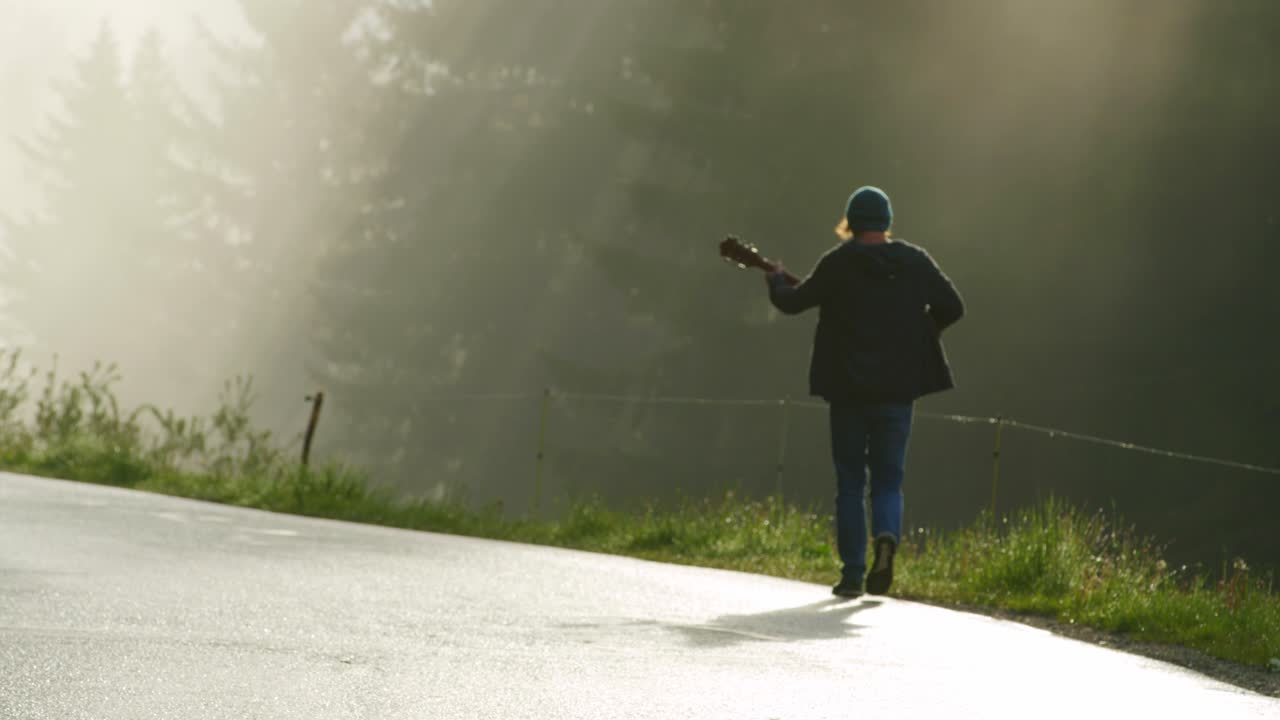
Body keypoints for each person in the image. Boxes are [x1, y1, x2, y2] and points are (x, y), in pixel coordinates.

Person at [767, 186, 964, 598]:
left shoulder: (837, 264)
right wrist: (923, 331)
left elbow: (793, 302)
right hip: (898, 391)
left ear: (850, 223)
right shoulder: (915, 261)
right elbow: (953, 306)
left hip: (848, 391)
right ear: (887, 221)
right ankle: (887, 538)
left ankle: (853, 573)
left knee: (851, 483)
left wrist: (773, 279)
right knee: (889, 481)